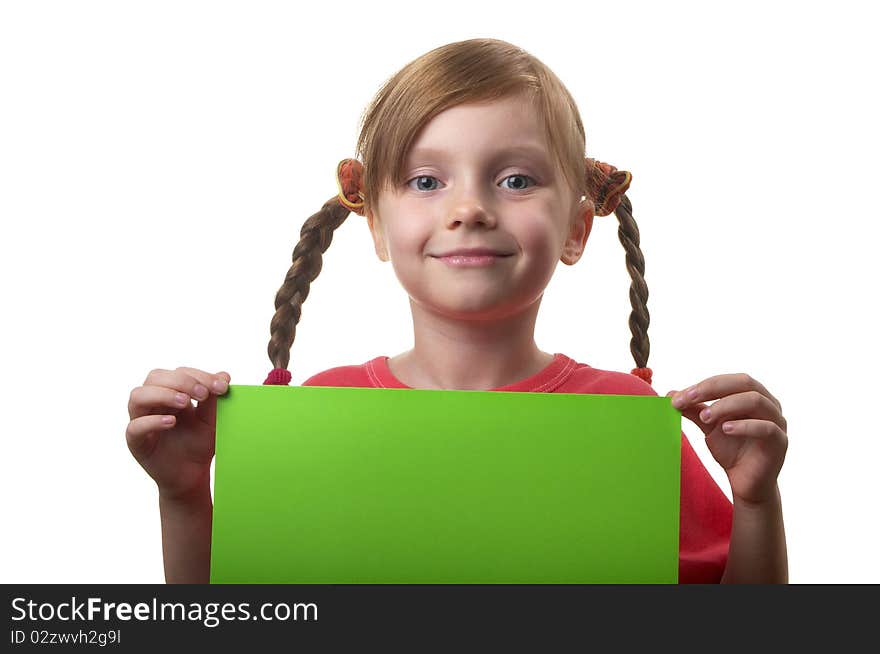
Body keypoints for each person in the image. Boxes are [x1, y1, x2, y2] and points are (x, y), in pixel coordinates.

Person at [125, 38, 788, 584]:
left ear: (577, 230)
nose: (468, 208)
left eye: (517, 180)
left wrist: (756, 498)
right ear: (377, 227)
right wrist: (183, 495)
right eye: (425, 181)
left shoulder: (631, 422)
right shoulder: (320, 412)